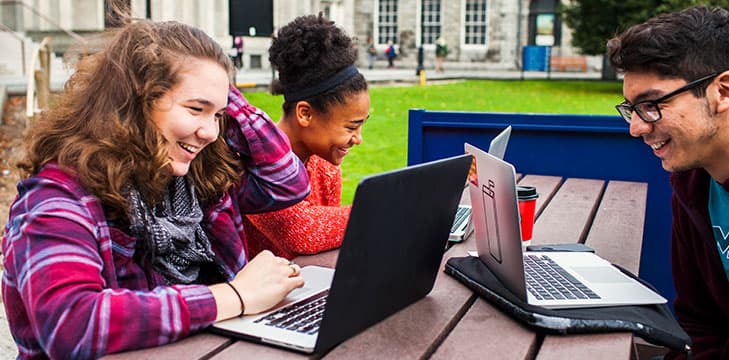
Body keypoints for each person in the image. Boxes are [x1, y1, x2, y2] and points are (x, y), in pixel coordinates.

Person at [1, 18, 311, 359]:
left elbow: (287, 182)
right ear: (135, 102)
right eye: (196, 109)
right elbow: (72, 323)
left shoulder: (195, 179)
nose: (210, 132)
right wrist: (234, 296)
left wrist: (218, 88)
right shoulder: (57, 197)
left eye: (218, 115)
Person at [607, 6, 729, 359]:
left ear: (722, 91)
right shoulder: (693, 186)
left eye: (651, 104)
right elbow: (699, 325)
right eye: (632, 108)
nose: (636, 128)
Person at [244, 13, 370, 259]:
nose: (358, 138)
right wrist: (384, 212)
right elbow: (301, 232)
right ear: (305, 114)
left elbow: (326, 246)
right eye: (351, 127)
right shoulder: (254, 159)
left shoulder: (325, 164)